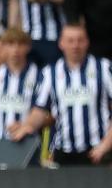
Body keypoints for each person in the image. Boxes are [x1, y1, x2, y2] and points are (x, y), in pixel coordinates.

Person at [14, 24, 112, 166]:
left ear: (87, 42)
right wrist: (27, 126)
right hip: (64, 152)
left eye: (80, 40)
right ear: (61, 43)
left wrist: (106, 145)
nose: (75, 45)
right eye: (70, 41)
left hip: (98, 151)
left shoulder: (104, 68)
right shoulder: (50, 73)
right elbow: (40, 110)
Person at [0, 27, 41, 142]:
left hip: (28, 141)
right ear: (3, 47)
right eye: (11, 44)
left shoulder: (40, 76)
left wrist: (27, 125)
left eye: (21, 44)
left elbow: (46, 114)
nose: (15, 49)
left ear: (28, 47)